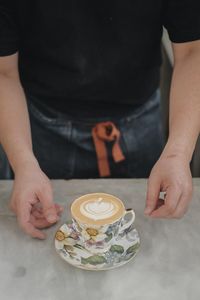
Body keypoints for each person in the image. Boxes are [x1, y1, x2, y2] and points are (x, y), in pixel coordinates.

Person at [0, 1, 200, 239]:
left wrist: (178, 154)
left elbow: (192, 51)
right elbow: (3, 71)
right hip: (39, 129)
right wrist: (24, 164)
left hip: (140, 122)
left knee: (150, 239)